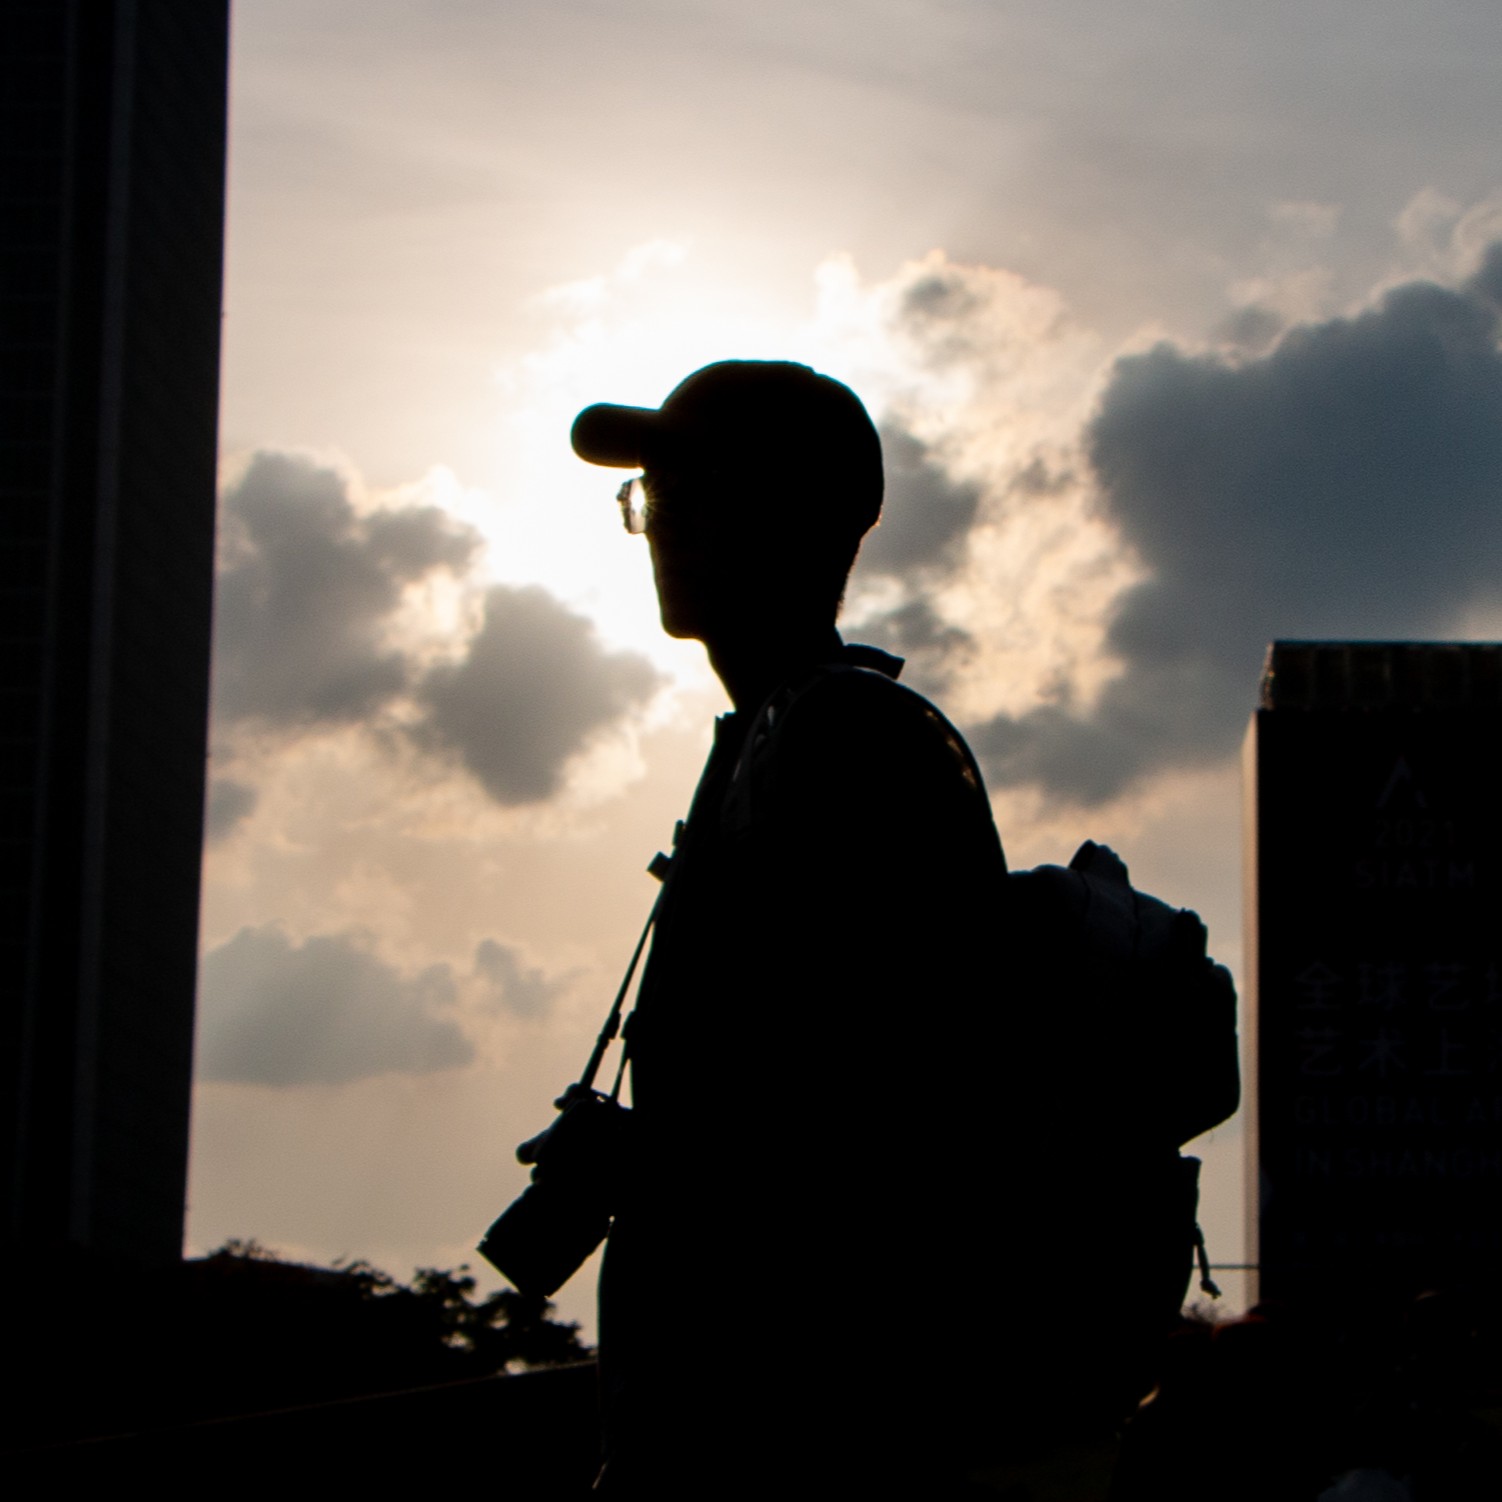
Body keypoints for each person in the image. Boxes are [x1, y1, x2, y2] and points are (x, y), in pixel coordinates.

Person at [569, 360, 1022, 1496]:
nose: (662, 529)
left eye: (692, 496)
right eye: (652, 500)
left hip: (796, 1433)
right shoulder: (773, 738)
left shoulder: (844, 743)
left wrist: (659, 1160)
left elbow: (878, 1105)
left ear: (796, 520)